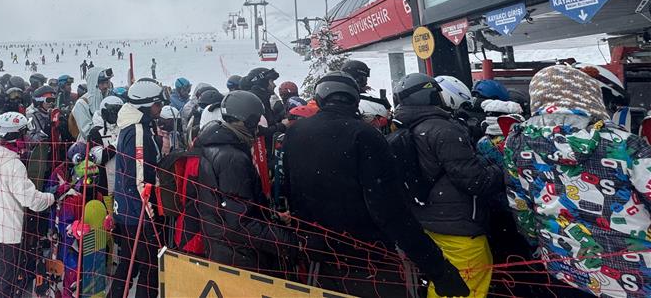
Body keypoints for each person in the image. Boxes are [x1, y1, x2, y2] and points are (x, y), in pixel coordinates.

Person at [282, 72, 469, 298]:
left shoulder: (296, 132)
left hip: (320, 258)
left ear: (320, 99)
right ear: (354, 100)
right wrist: (438, 269)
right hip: (369, 262)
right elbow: (389, 209)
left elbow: (291, 193)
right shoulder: (365, 135)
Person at [504, 64, 651, 298]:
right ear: (589, 96)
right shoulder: (624, 144)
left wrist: (537, 242)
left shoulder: (517, 142)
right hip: (634, 274)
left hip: (565, 267)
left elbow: (521, 207)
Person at [391, 73, 504, 298]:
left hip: (429, 220)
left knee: (446, 282)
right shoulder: (443, 129)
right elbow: (475, 181)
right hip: (458, 225)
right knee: (464, 287)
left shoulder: (406, 127)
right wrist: (500, 169)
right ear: (431, 96)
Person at [190, 91, 300, 269]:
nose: (257, 129)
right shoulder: (232, 158)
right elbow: (240, 222)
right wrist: (290, 242)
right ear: (246, 121)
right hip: (239, 255)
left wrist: (270, 217)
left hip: (222, 245)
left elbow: (233, 204)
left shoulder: (214, 146)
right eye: (255, 122)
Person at [0, 111, 55, 298]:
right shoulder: (14, 165)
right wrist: (52, 196)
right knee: (8, 279)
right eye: (25, 134)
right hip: (9, 230)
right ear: (17, 136)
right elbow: (30, 200)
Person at [110, 79, 166, 298]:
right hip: (138, 211)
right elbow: (139, 177)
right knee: (150, 265)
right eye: (157, 104)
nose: (160, 109)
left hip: (127, 207)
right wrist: (150, 213)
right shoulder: (137, 130)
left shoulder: (132, 124)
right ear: (145, 105)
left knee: (130, 262)